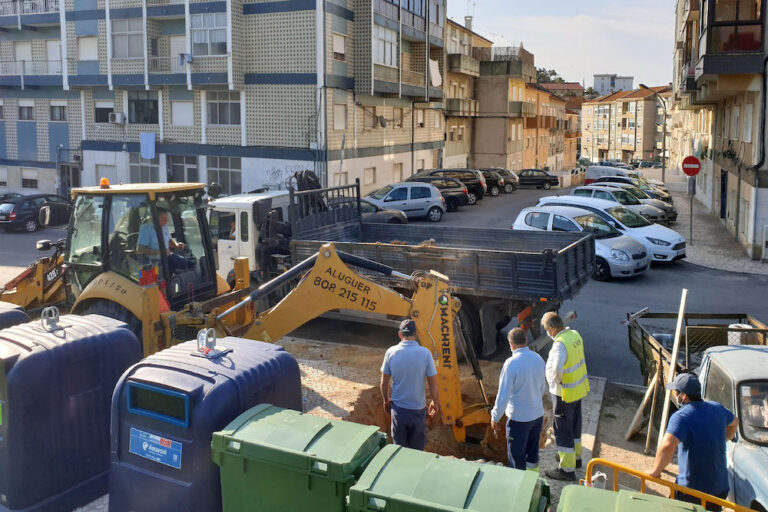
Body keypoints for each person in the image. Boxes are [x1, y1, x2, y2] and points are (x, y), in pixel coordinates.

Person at [649, 373, 739, 509]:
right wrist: (725, 437)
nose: (675, 395)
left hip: (692, 492)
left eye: (676, 392)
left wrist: (655, 472)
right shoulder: (717, 408)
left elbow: (667, 446)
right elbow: (735, 422)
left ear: (683, 396)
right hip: (719, 489)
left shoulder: (681, 417)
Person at [491, 327, 547, 471]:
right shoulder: (538, 358)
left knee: (517, 457)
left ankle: (519, 488)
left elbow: (503, 396)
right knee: (532, 456)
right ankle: (533, 483)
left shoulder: (511, 364)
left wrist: (495, 417)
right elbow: (542, 388)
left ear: (511, 343)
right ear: (526, 340)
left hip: (519, 420)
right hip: (537, 416)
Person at [543, 311, 590, 481]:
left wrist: (557, 382)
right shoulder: (574, 335)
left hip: (563, 394)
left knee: (562, 430)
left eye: (546, 329)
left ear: (552, 328)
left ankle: (566, 469)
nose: (547, 333)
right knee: (575, 425)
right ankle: (576, 459)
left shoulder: (559, 345)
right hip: (578, 390)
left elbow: (556, 370)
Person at [380, 319, 441, 451]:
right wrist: (435, 402)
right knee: (417, 453)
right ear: (416, 334)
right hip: (418, 413)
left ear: (400, 334)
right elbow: (433, 384)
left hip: (399, 412)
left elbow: (384, 383)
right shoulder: (425, 354)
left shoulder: (391, 352)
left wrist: (386, 401)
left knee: (400, 453)